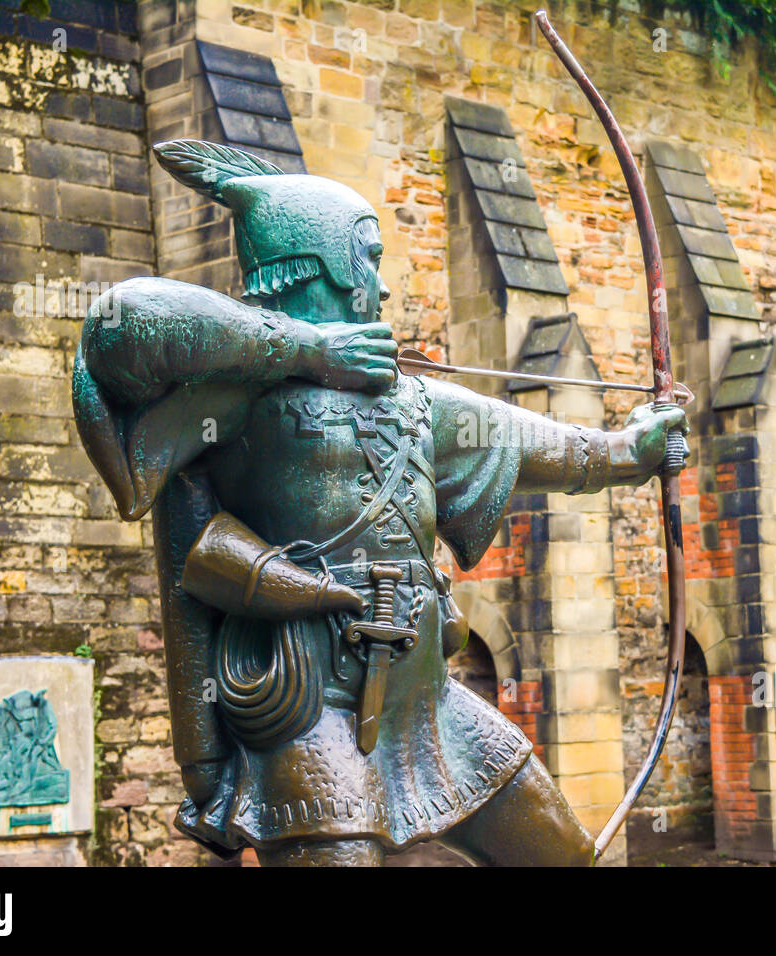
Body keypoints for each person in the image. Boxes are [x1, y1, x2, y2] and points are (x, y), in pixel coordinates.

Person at [72, 140, 687, 866]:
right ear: (324, 263)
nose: (382, 286)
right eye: (367, 257)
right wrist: (312, 352)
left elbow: (570, 451)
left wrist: (637, 450)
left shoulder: (419, 405)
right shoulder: (233, 398)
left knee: (563, 856)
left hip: (427, 703)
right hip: (306, 707)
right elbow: (119, 324)